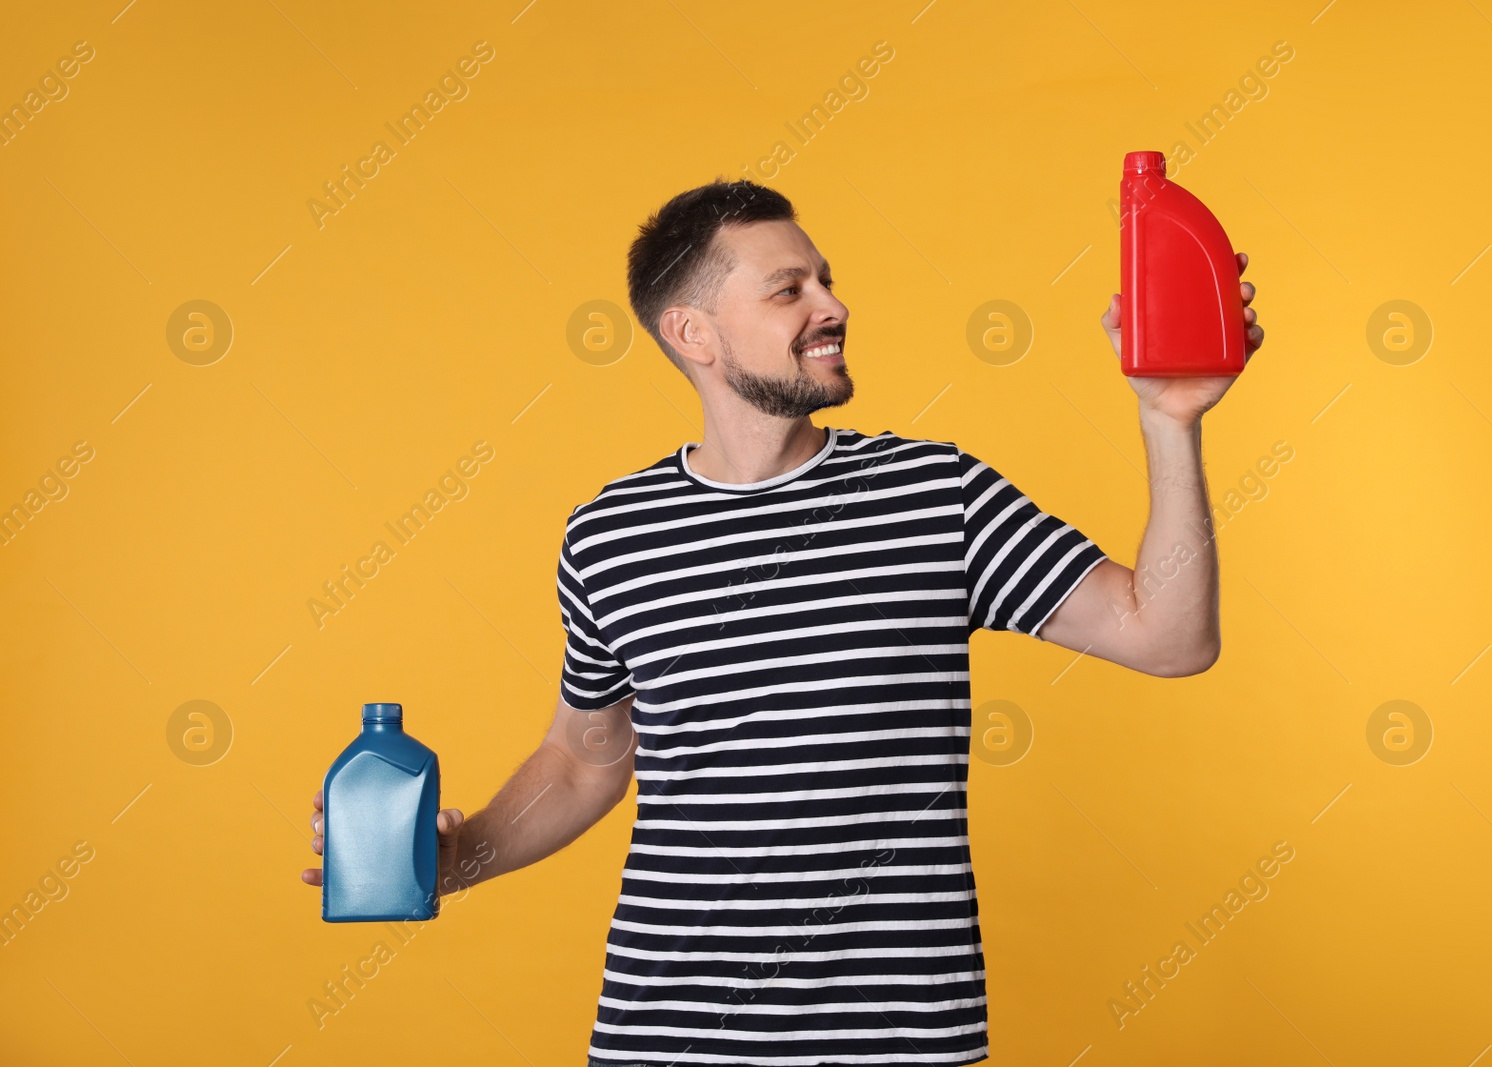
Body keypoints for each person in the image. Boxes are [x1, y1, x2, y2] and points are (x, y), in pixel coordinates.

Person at [302, 177, 1264, 1066]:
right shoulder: (610, 534)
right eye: (787, 289)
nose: (833, 306)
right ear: (695, 333)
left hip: (898, 1041)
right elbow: (585, 756)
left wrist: (1169, 423)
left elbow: (1168, 635)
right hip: (665, 1034)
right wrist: (454, 859)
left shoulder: (934, 495)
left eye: (828, 281)